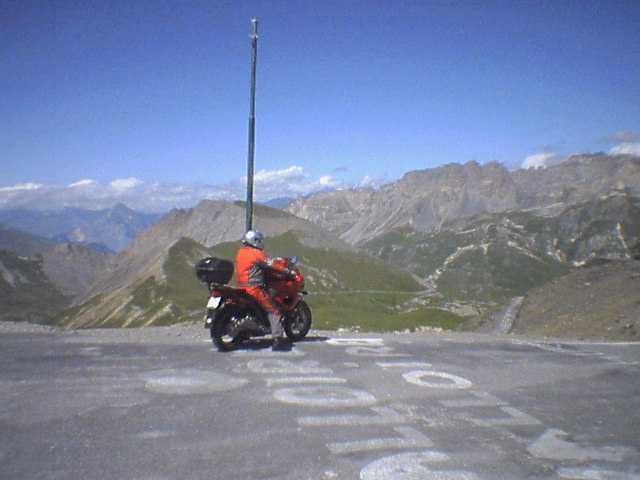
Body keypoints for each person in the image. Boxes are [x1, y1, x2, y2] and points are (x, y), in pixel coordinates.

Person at [235, 230, 295, 351]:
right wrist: (287, 271)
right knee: (274, 310)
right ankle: (278, 339)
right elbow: (271, 265)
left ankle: (249, 330)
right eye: (259, 240)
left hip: (241, 287)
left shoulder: (240, 252)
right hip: (254, 288)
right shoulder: (257, 253)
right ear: (255, 241)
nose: (261, 243)